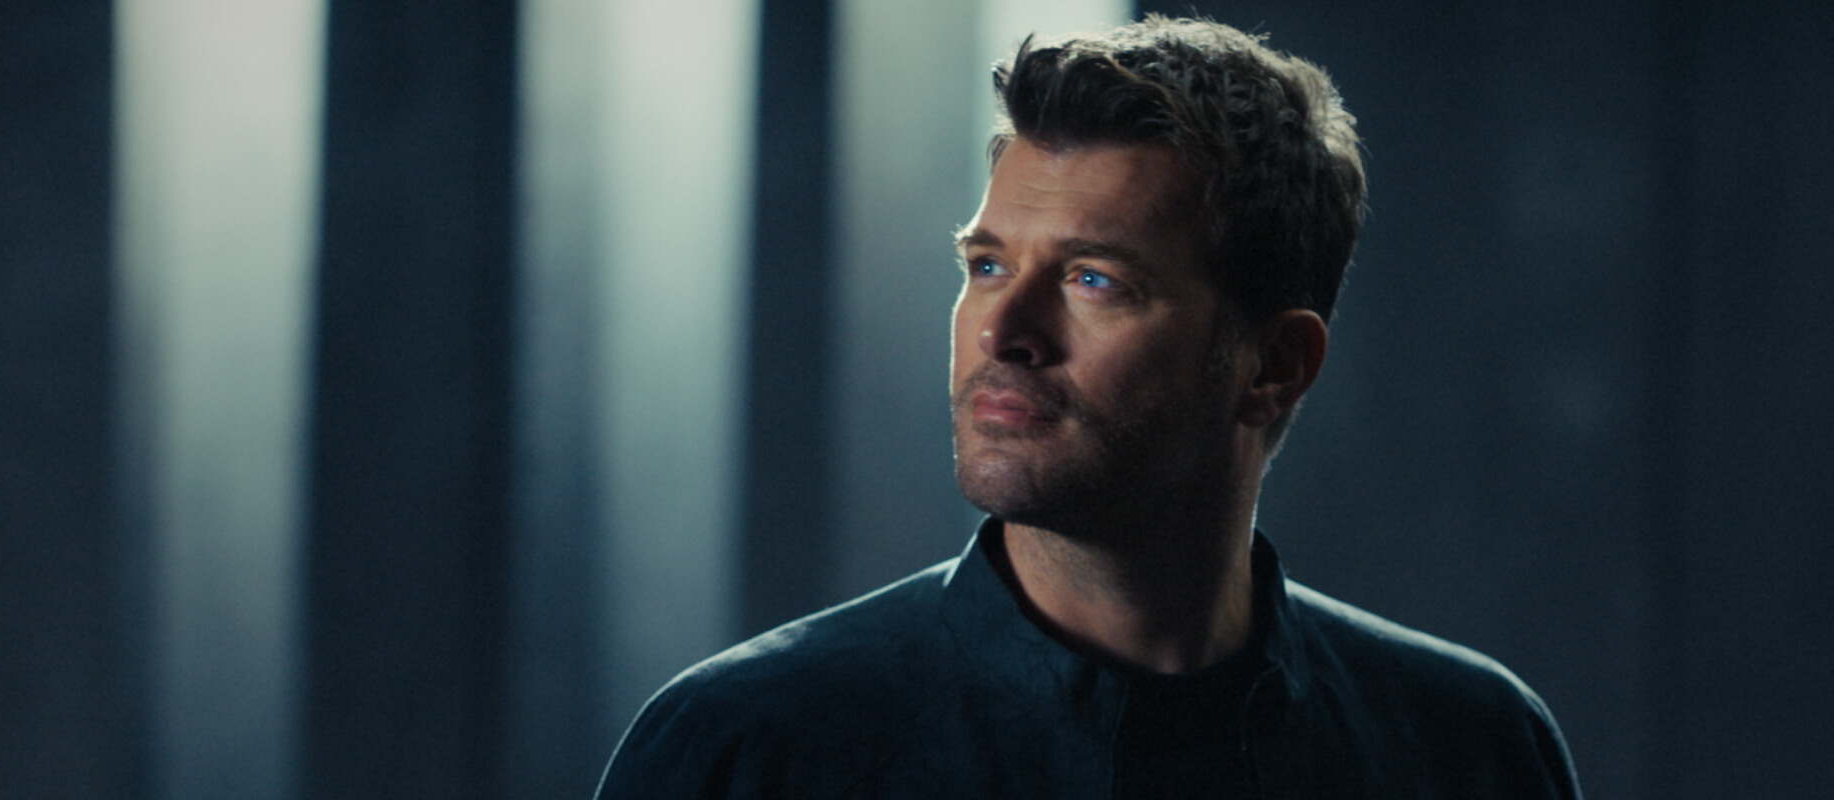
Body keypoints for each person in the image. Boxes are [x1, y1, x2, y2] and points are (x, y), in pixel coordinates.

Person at [596, 15, 1581, 799]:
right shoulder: (744, 750)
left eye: (1093, 279)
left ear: (1274, 366)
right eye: (988, 266)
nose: (1003, 331)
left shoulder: (1470, 749)